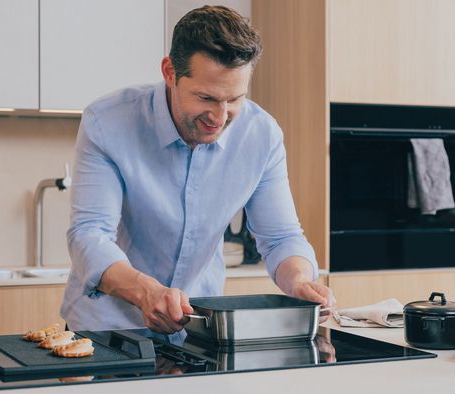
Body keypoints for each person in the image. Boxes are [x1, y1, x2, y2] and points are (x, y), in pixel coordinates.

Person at [61, 5, 333, 335]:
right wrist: (148, 293)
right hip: (106, 331)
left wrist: (300, 281)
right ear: (169, 72)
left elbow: (281, 238)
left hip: (199, 331)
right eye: (206, 97)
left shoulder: (261, 135)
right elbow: (89, 233)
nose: (219, 117)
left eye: (234, 99)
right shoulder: (108, 122)